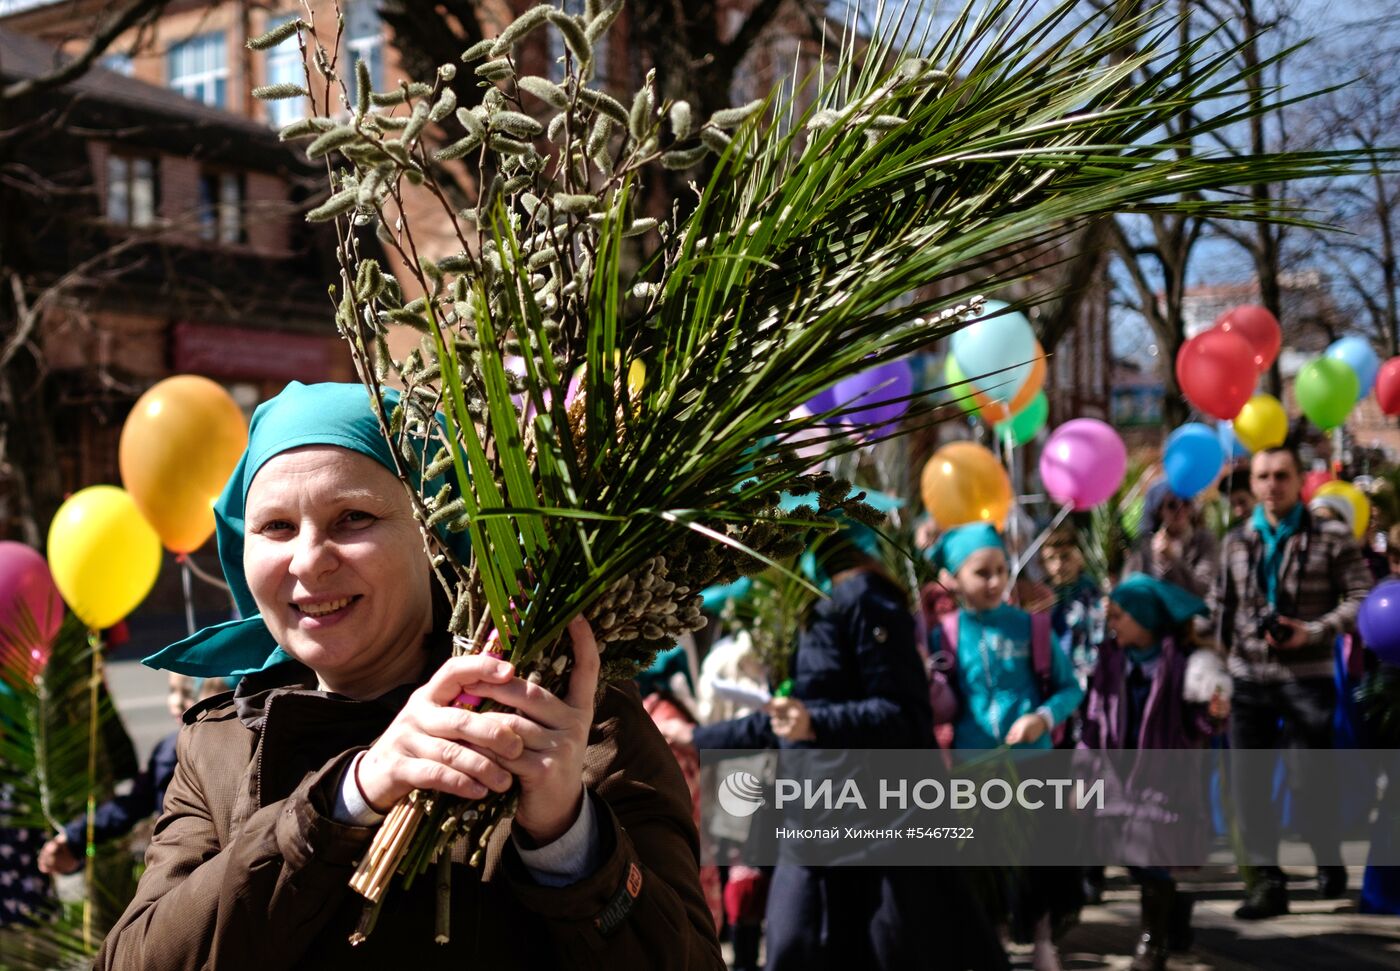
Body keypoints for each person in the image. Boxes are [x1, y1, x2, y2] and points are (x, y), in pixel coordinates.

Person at [97, 382, 723, 969]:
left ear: (433, 534)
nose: (310, 561)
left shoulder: (562, 716)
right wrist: (346, 797)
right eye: (276, 527)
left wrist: (568, 834)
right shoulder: (222, 744)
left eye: (353, 519)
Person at [682, 523, 982, 970]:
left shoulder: (863, 600)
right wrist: (696, 739)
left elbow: (902, 714)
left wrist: (814, 721)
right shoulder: (807, 606)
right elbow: (790, 720)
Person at [1210, 445, 1373, 920]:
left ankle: (1327, 854)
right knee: (1249, 784)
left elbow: (1363, 595)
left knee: (1310, 781)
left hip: (1308, 676)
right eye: (1263, 477)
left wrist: (1315, 630)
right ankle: (1267, 884)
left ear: (1300, 479)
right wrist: (1219, 668)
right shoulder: (1237, 540)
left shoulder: (1330, 535)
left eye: (1282, 475)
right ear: (1254, 483)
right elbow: (1221, 605)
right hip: (1248, 678)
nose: (1271, 485)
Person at [927, 523, 1084, 971]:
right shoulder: (944, 635)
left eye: (1001, 570)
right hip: (973, 768)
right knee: (982, 863)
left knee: (1038, 857)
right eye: (982, 572)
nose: (996, 581)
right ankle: (989, 941)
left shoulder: (1032, 627)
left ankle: (1042, 940)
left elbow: (1070, 689)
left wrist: (1043, 717)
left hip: (1033, 765)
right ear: (953, 578)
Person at [1084, 574, 1230, 971]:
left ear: (1146, 620)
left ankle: (1153, 942)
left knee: (1150, 854)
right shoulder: (1110, 659)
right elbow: (1094, 714)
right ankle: (1174, 906)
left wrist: (1210, 716)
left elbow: (1196, 723)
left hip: (1164, 776)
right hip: (1117, 771)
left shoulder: (1183, 665)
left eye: (1120, 616)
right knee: (1125, 851)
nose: (1112, 623)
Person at [38, 677, 231, 878]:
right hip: (184, 867)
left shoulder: (236, 747)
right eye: (172, 691)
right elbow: (134, 804)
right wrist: (73, 838)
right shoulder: (167, 751)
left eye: (189, 692)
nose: (177, 702)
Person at [1039, 524, 1105, 692]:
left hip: (1088, 678)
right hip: (1050, 680)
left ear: (1080, 557)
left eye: (1065, 557)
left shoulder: (1092, 594)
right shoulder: (1039, 597)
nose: (1059, 565)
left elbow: (1098, 637)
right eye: (1051, 559)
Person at [1123, 483, 1218, 598]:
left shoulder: (1204, 540)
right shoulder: (1145, 545)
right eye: (1172, 505)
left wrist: (1172, 559)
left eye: (1186, 502)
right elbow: (1128, 587)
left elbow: (1201, 589)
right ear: (1159, 511)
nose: (1180, 509)